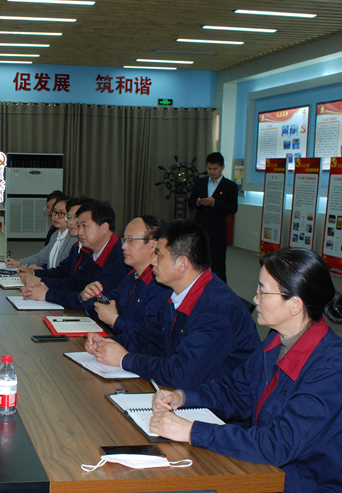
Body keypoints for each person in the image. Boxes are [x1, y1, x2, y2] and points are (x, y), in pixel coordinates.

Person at [150, 248, 342, 493]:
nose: (255, 298)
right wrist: (183, 397)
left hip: (303, 482)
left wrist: (192, 431)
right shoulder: (276, 340)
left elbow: (279, 444)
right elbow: (234, 391)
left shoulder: (331, 367)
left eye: (263, 291)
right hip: (265, 468)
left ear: (295, 304)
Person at [85, 219, 259, 388]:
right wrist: (108, 343)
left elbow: (181, 373)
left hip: (218, 401)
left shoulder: (215, 309)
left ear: (182, 264)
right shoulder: (174, 292)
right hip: (189, 390)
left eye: (159, 255)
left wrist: (124, 359)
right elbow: (151, 337)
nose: (153, 262)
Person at [22, 199, 129, 309]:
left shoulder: (120, 259)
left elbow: (94, 301)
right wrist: (42, 286)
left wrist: (47, 294)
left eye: (84, 226)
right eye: (79, 225)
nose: (80, 232)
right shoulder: (94, 253)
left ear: (104, 228)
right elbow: (76, 285)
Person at [78, 215, 170, 334]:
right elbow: (105, 311)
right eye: (124, 240)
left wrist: (115, 321)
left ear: (154, 244)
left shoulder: (160, 285)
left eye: (130, 240)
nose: (123, 246)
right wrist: (87, 297)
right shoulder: (131, 277)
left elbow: (151, 337)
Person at [188, 152, 238, 282]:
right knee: (196, 263)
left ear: (222, 167)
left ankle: (220, 291)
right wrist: (198, 201)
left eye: (215, 169)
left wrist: (215, 203)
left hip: (217, 232)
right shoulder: (200, 182)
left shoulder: (230, 186)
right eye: (209, 168)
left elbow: (233, 208)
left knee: (218, 265)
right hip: (199, 229)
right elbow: (190, 203)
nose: (211, 172)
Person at [5, 195, 77, 270]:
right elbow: (40, 258)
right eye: (54, 212)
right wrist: (19, 263)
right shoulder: (55, 234)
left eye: (61, 213)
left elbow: (64, 271)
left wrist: (40, 271)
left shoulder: (74, 240)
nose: (56, 216)